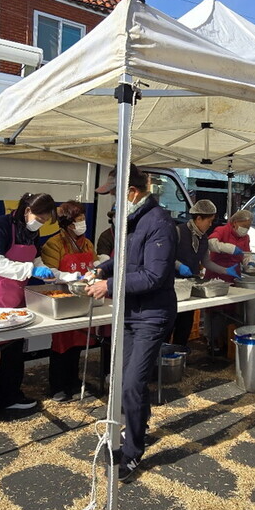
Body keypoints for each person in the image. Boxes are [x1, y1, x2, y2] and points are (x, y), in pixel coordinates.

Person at [85, 165, 178, 481]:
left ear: (132, 193)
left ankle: (133, 452)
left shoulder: (160, 224)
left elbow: (153, 276)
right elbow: (125, 259)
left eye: (114, 194)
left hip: (152, 315)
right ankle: (140, 426)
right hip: (129, 312)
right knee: (121, 379)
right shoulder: (131, 220)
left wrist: (109, 286)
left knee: (132, 383)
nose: (112, 201)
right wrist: (104, 269)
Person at [0, 192, 57, 424]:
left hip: (15, 294)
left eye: (45, 219)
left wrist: (45, 271)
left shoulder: (32, 231)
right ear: (27, 210)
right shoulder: (0, 226)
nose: (40, 222)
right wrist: (30, 270)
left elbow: (36, 258)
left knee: (14, 347)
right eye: (39, 217)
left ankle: (10, 397)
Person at [41, 200, 99, 402]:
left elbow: (94, 261)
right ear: (67, 224)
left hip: (82, 298)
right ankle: (57, 385)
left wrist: (97, 270)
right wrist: (71, 276)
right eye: (78, 220)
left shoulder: (87, 243)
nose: (82, 224)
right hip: (61, 298)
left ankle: (73, 381)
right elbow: (50, 272)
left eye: (83, 219)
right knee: (61, 343)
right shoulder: (53, 244)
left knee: (78, 341)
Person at [171, 199, 238, 347]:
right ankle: (161, 363)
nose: (210, 224)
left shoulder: (203, 238)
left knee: (185, 326)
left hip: (189, 290)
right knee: (169, 326)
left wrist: (225, 270)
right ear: (199, 218)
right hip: (172, 288)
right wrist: (180, 266)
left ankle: (178, 360)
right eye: (209, 220)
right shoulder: (178, 232)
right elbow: (166, 255)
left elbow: (206, 262)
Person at [203, 210, 252, 354]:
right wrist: (229, 248)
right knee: (215, 311)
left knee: (230, 310)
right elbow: (211, 243)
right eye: (244, 225)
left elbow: (246, 254)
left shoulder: (245, 237)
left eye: (248, 226)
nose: (246, 229)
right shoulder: (222, 230)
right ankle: (211, 340)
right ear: (235, 223)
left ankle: (226, 341)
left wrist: (249, 263)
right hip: (216, 275)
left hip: (233, 276)